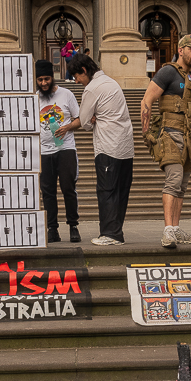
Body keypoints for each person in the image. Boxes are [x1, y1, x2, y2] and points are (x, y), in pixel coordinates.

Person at [140, 34, 191, 249]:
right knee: (174, 180)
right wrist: (146, 132)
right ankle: (167, 231)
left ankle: (175, 228)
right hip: (171, 134)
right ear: (181, 50)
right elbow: (147, 99)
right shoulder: (167, 72)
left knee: (182, 186)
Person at [57, 55, 134, 245]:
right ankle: (117, 231)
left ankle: (110, 234)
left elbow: (84, 121)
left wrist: (92, 122)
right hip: (126, 147)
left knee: (107, 190)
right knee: (121, 191)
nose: (76, 81)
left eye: (76, 76)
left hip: (108, 146)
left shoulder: (92, 88)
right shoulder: (111, 82)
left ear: (84, 70)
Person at [36, 59, 81, 243]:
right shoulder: (34, 98)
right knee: (47, 192)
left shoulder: (66, 94)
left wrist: (67, 127)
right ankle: (52, 228)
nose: (44, 83)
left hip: (66, 149)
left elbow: (80, 119)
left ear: (52, 77)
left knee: (68, 188)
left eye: (46, 79)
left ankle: (73, 226)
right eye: (40, 80)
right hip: (43, 152)